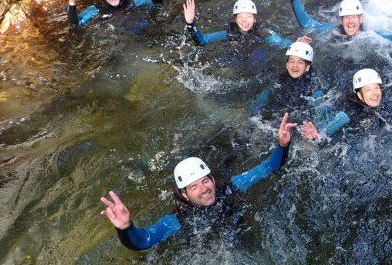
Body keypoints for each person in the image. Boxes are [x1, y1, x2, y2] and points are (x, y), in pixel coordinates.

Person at [100, 113, 296, 250]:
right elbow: (144, 241)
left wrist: (282, 145)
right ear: (184, 194)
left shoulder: (231, 187)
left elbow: (268, 168)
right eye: (194, 187)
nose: (204, 190)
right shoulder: (177, 220)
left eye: (205, 181)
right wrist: (125, 228)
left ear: (212, 179)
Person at [250, 40, 350, 140]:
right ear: (287, 64)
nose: (295, 65)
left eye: (300, 62)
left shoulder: (315, 88)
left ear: (307, 67)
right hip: (282, 117)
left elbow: (323, 117)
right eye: (292, 61)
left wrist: (316, 137)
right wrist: (254, 114)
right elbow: (261, 100)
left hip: (302, 124)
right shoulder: (280, 80)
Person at [183, 0, 293, 50]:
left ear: (255, 19)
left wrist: (296, 44)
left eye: (248, 16)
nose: (244, 20)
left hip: (257, 55)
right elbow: (202, 41)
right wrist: (190, 23)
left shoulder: (264, 33)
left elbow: (282, 44)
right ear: (235, 19)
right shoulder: (228, 34)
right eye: (240, 16)